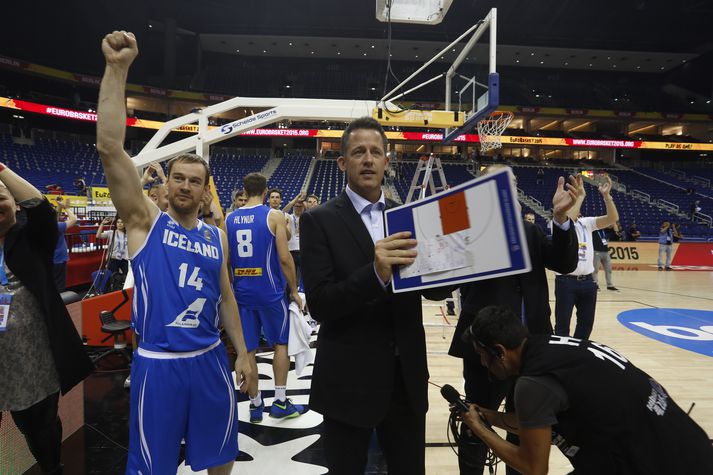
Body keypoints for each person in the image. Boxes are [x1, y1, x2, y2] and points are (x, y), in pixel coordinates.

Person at [97, 30, 254, 474]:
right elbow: (110, 150)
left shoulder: (215, 236)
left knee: (221, 458)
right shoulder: (146, 222)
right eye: (178, 178)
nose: (184, 185)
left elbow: (226, 298)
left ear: (206, 192)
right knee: (153, 467)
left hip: (209, 359)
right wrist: (117, 69)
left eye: (194, 180)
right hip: (159, 365)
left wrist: (242, 352)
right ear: (166, 184)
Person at [300, 117, 452, 474]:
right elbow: (321, 303)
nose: (367, 159)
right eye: (358, 152)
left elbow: (436, 291)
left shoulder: (410, 216)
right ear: (342, 163)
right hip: (349, 384)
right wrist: (376, 274)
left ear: (387, 161)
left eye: (375, 152)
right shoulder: (318, 220)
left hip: (406, 381)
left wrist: (452, 262)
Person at [460, 305, 713, 475]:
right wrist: (487, 415)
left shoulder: (533, 383)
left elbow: (534, 468)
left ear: (499, 352)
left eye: (483, 356)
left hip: (661, 464)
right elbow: (535, 422)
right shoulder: (549, 347)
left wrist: (481, 430)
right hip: (686, 445)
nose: (482, 364)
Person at [449, 165, 580, 474]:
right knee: (476, 420)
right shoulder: (468, 234)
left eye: (514, 182)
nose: (511, 187)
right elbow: (440, 288)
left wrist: (560, 220)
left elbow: (565, 262)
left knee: (525, 425)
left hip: (531, 346)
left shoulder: (530, 231)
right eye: (501, 182)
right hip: (486, 350)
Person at [0, 163, 93, 475]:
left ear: (15, 204)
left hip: (33, 363)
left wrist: (0, 170)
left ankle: (52, 469)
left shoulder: (31, 239)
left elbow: (41, 208)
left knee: (39, 429)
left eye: (1, 198)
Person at [225, 172, 305, 423]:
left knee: (247, 349)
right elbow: (284, 258)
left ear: (244, 191)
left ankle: (255, 403)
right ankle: (280, 401)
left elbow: (226, 262)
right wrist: (293, 290)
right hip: (270, 293)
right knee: (280, 344)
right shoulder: (274, 215)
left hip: (241, 294)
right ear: (265, 189)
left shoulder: (229, 219)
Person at [554, 175, 619, 340]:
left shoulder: (587, 222)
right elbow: (569, 219)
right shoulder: (557, 223)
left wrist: (607, 196)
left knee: (586, 324)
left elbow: (613, 219)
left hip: (588, 282)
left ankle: (577, 354)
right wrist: (581, 196)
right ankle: (562, 358)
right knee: (562, 325)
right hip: (565, 282)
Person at [53, 199, 78, 292]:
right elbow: (74, 219)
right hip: (58, 260)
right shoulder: (57, 227)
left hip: (47, 260)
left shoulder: (39, 227)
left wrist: (59, 207)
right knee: (59, 286)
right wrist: (66, 208)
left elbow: (53, 219)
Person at [592, 225, 618, 291]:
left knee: (609, 269)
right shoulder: (593, 231)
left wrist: (614, 223)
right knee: (595, 270)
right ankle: (595, 285)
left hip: (606, 252)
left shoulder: (604, 231)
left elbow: (615, 230)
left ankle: (609, 285)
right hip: (596, 251)